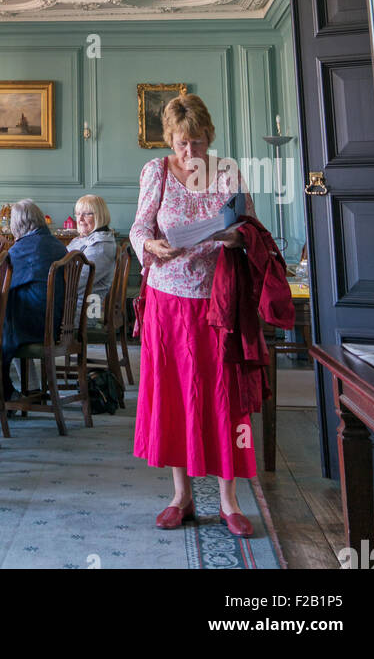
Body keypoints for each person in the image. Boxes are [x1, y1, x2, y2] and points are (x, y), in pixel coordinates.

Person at [129, 93, 257, 537]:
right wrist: (152, 245)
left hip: (218, 299)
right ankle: (180, 496)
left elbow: (251, 230)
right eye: (182, 143)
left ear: (210, 137)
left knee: (223, 394)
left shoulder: (229, 173)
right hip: (167, 300)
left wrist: (234, 238)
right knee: (176, 393)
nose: (190, 153)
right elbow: (140, 226)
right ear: (170, 140)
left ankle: (229, 500)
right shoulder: (156, 172)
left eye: (198, 142)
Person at [2, 199, 67, 390]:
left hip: (35, 325)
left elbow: (3, 286)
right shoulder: (56, 244)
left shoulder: (23, 248)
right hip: (55, 321)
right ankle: (29, 387)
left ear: (17, 224)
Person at [66, 194, 116, 328]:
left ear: (100, 216)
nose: (80, 219)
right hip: (72, 304)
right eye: (77, 214)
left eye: (86, 214)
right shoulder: (84, 239)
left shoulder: (101, 246)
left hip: (83, 312)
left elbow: (76, 282)